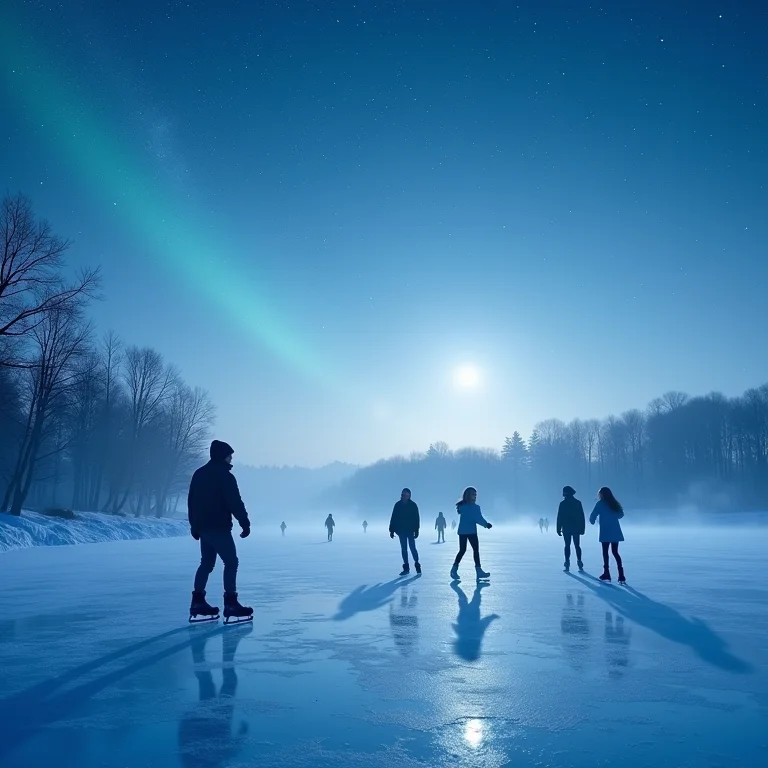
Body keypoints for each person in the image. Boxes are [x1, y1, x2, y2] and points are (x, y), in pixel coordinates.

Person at [188, 440, 253, 624]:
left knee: (206, 564)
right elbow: (234, 501)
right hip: (219, 527)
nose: (231, 458)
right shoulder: (225, 476)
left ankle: (197, 601)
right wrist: (244, 522)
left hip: (204, 529)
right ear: (222, 456)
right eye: (229, 455)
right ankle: (231, 603)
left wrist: (194, 525)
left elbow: (191, 502)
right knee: (231, 562)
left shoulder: (199, 474)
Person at [450, 487, 492, 581]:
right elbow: (478, 518)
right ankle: (477, 570)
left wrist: (485, 524)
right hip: (470, 532)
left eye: (475, 495)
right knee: (473, 550)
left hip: (463, 532)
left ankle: (454, 569)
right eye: (473, 494)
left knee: (463, 550)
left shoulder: (462, 507)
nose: (475, 496)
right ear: (468, 495)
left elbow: (476, 517)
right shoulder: (474, 507)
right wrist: (486, 524)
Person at [589, 487, 626, 583]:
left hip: (605, 531)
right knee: (615, 552)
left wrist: (592, 520)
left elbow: (593, 514)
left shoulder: (600, 504)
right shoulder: (613, 503)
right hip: (614, 531)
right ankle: (621, 574)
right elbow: (620, 515)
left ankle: (606, 573)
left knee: (605, 552)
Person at [389, 488, 421, 575]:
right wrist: (391, 530)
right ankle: (406, 568)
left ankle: (417, 565)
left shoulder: (413, 505)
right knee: (404, 549)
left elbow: (416, 518)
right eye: (403, 495)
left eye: (406, 495)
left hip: (410, 530)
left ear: (409, 496)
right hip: (401, 531)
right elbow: (393, 517)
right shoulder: (397, 505)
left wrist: (416, 530)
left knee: (412, 548)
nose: (404, 497)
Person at [557, 486, 585, 572]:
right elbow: (582, 517)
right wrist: (582, 528)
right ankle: (579, 562)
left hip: (566, 528)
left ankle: (567, 563)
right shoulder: (577, 503)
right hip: (576, 528)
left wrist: (558, 528)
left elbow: (559, 517)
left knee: (567, 545)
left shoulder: (562, 504)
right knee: (577, 546)